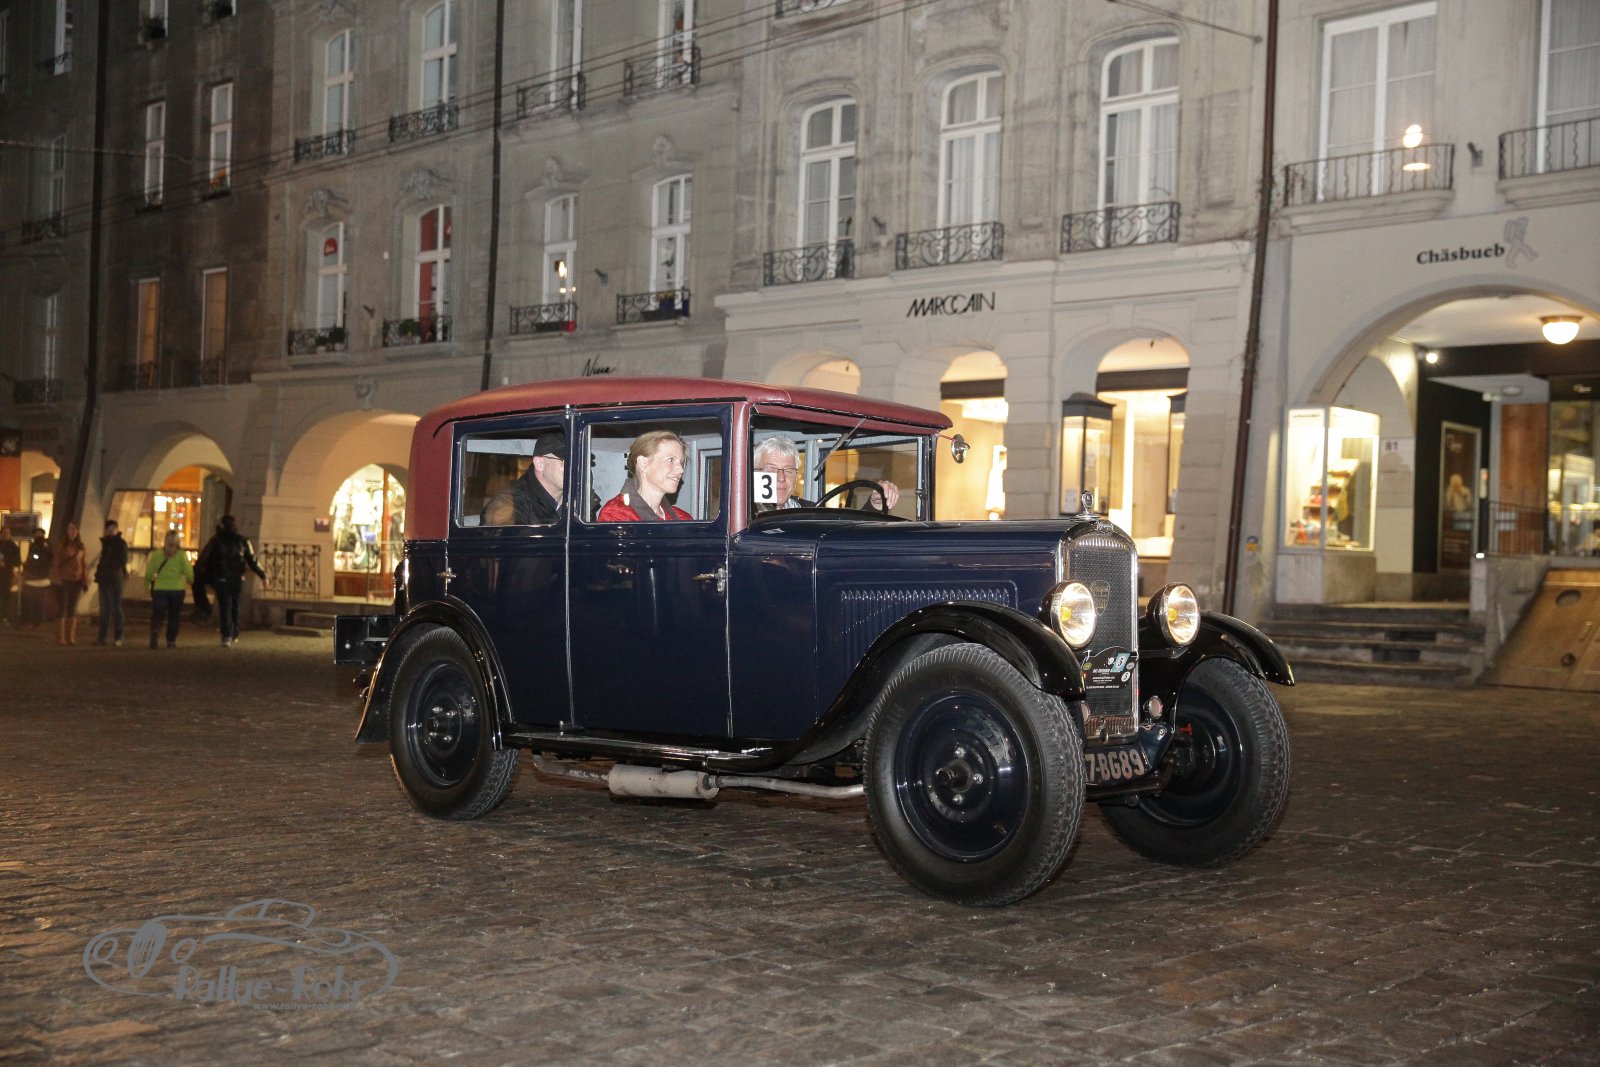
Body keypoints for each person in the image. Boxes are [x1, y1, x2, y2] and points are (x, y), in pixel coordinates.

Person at [752, 435, 900, 513]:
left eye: (788, 470)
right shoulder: (742, 515)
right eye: (771, 470)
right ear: (754, 474)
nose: (781, 478)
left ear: (796, 477)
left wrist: (875, 502)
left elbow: (849, 537)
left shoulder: (809, 513)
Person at [195, 515, 267, 647]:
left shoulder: (216, 540)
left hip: (221, 577)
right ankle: (234, 632)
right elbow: (252, 560)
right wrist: (262, 575)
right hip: (237, 578)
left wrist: (196, 572)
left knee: (225, 606)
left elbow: (204, 557)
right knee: (235, 605)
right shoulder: (242, 541)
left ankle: (227, 635)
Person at [597, 430, 694, 522]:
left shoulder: (683, 519)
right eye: (670, 460)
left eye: (681, 462)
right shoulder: (616, 515)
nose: (680, 469)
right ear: (643, 464)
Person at [482, 431, 565, 525]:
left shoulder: (575, 498)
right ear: (539, 464)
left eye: (575, 461)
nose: (573, 467)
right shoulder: (509, 502)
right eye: (564, 461)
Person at [145, 530, 194, 648]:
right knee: (174, 615)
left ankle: (155, 631)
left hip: (160, 589)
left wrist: (147, 583)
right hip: (177, 589)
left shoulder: (157, 554)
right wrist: (191, 580)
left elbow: (150, 571)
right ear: (178, 541)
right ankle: (171, 640)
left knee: (158, 613)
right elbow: (188, 571)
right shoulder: (181, 555)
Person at [50, 521, 88, 645]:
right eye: (70, 529)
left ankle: (70, 637)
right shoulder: (61, 545)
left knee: (72, 608)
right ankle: (60, 638)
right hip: (63, 580)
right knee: (62, 607)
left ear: (77, 532)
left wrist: (84, 580)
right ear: (66, 531)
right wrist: (56, 579)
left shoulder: (81, 547)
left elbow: (83, 564)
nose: (72, 532)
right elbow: (55, 563)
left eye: (74, 529)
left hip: (77, 581)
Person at [93, 519, 130, 646]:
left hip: (114, 578)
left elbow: (122, 560)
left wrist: (110, 566)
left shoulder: (120, 543)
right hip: (104, 578)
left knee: (115, 607)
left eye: (113, 528)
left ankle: (118, 637)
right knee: (104, 609)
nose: (111, 530)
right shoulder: (106, 543)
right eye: (109, 528)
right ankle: (102, 637)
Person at [0, 533, 19, 627]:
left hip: (6, 575)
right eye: (4, 533)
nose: (5, 535)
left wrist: (7, 564)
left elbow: (17, 561)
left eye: (7, 533)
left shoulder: (13, 546)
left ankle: (4, 616)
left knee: (6, 596)